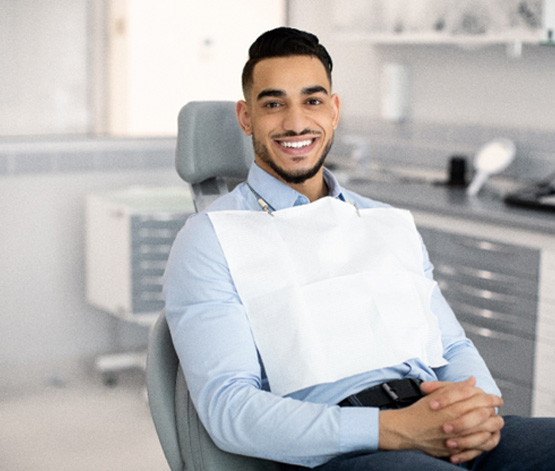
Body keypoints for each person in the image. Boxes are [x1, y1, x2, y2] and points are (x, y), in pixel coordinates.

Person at [164, 27, 555, 470]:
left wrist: (478, 410)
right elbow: (229, 409)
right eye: (273, 104)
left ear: (334, 111)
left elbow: (452, 346)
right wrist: (394, 430)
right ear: (246, 117)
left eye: (312, 101)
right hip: (346, 449)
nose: (295, 122)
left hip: (440, 425)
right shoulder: (211, 238)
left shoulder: (386, 221)